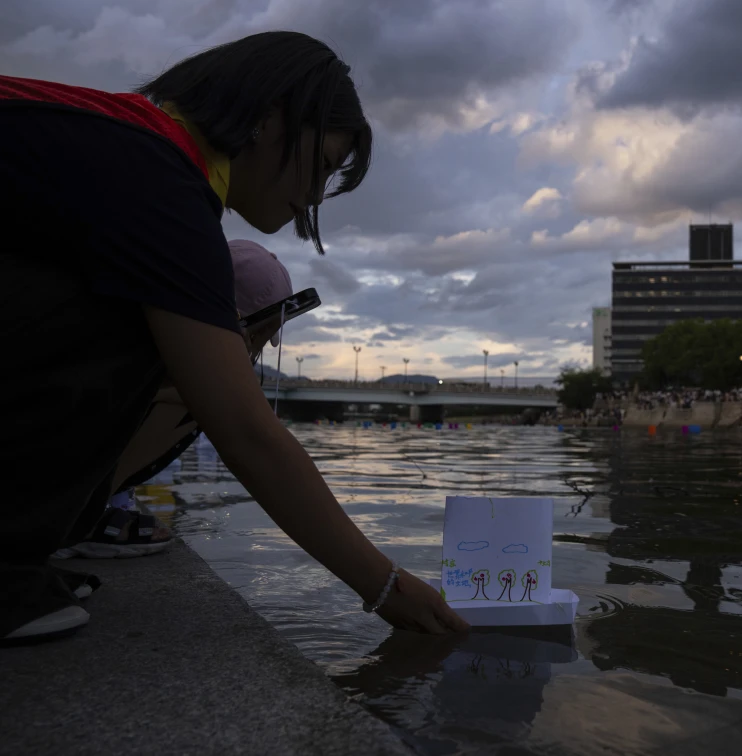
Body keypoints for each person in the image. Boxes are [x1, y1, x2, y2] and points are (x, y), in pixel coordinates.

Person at [1, 31, 468, 643]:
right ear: (269, 119)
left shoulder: (132, 143)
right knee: (179, 350)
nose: (315, 196)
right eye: (323, 167)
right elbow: (245, 430)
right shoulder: (160, 180)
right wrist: (385, 587)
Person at [54, 239, 296, 560]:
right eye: (261, 334)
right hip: (44, 494)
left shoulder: (127, 324)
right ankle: (73, 517)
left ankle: (90, 506)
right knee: (202, 394)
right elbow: (256, 448)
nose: (258, 349)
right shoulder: (185, 375)